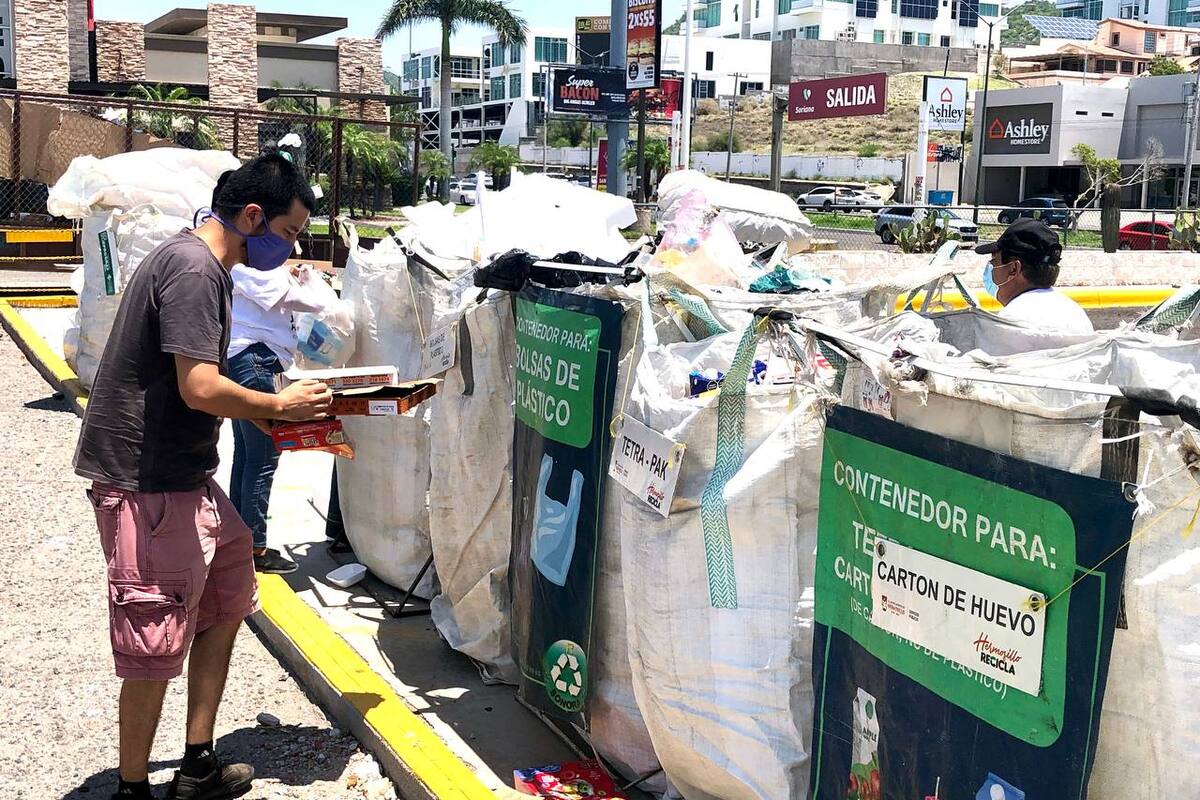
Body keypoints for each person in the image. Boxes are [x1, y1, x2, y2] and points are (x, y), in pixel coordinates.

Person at [74, 153, 332, 800]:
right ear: (253, 216)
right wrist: (279, 407)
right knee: (154, 641)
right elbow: (199, 387)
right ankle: (134, 789)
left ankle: (196, 764)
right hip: (147, 478)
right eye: (290, 231)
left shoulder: (205, 264)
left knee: (228, 591)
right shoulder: (194, 271)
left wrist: (292, 422)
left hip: (184, 473)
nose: (291, 247)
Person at [227, 256, 335, 575]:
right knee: (262, 460)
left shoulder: (243, 259)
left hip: (244, 360)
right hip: (257, 362)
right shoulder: (253, 263)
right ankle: (255, 548)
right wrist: (321, 288)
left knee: (247, 456)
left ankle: (240, 540)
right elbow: (305, 301)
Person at [975, 217, 1094, 334]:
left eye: (994, 262)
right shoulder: (1076, 314)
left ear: (1013, 269)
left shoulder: (1010, 321)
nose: (990, 268)